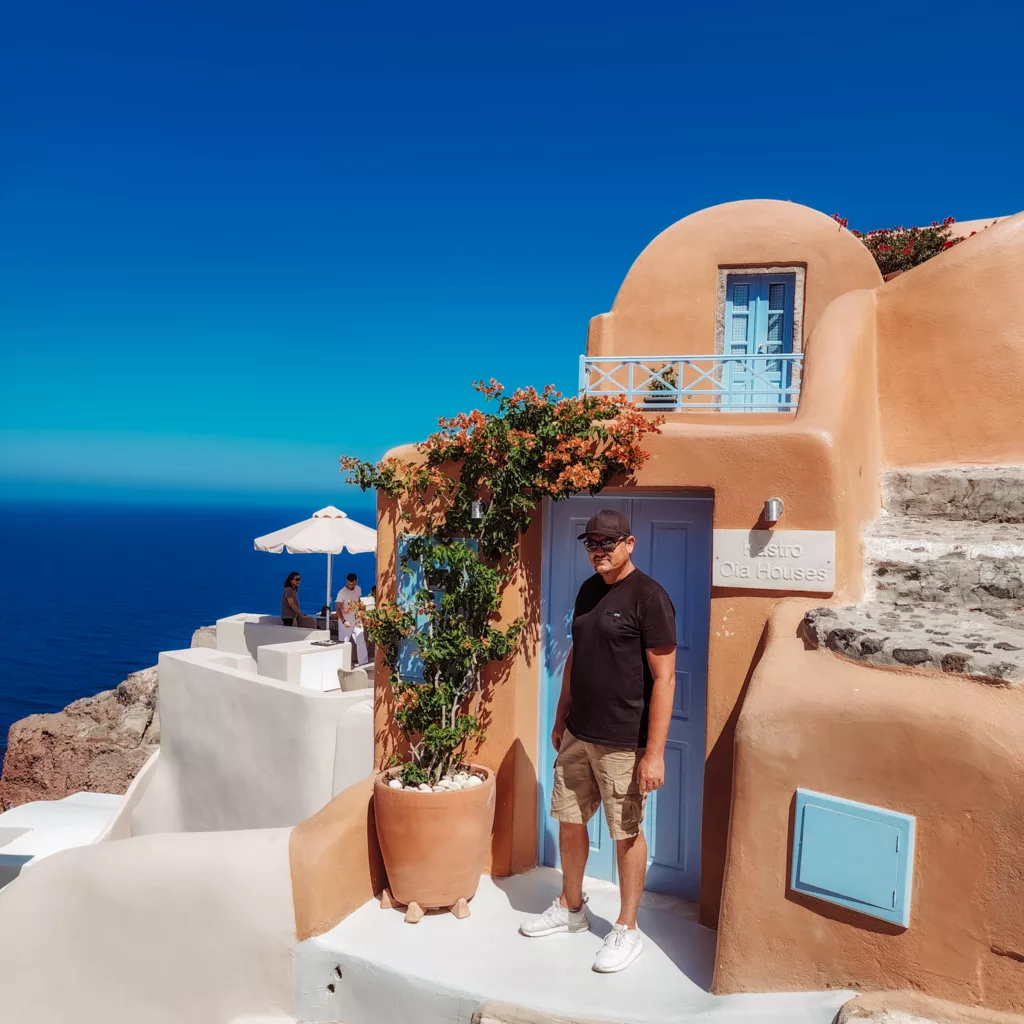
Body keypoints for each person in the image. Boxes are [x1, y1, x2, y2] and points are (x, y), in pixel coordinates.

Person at [519, 509, 677, 974]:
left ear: (630, 543)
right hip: (578, 735)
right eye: (592, 544)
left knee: (625, 833)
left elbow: (664, 679)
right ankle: (572, 908)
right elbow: (574, 657)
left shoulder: (650, 597)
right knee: (570, 820)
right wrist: (561, 714)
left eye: (607, 543)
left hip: (624, 742)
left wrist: (655, 752)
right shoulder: (589, 590)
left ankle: (627, 928)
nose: (598, 552)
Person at [336, 572, 368, 665]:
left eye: (353, 584)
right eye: (349, 584)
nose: (351, 586)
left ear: (356, 581)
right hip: (345, 619)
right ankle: (342, 663)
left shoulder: (358, 589)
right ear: (347, 582)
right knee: (344, 641)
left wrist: (361, 609)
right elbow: (338, 608)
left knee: (361, 640)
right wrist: (343, 621)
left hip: (356, 618)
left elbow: (357, 600)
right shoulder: (342, 593)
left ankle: (363, 663)